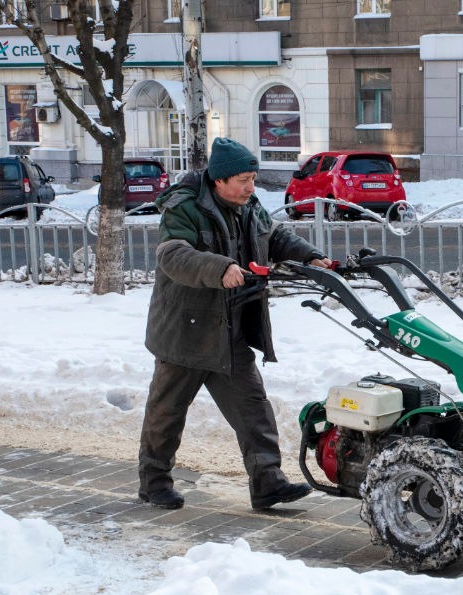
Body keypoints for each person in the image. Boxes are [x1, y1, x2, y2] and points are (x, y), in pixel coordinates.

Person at [138, 137, 331, 511]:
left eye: (253, 178)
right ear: (220, 179)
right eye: (243, 179)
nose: (250, 187)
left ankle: (268, 484)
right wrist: (219, 267)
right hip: (186, 330)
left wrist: (310, 255)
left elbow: (273, 236)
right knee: (166, 415)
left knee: (253, 409)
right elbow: (172, 254)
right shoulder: (184, 208)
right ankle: (153, 483)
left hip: (232, 328)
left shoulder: (249, 206)